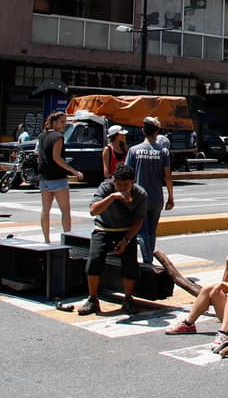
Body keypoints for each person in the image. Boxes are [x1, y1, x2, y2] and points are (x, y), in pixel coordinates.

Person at [77, 164, 146, 317]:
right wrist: (112, 197)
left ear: (133, 182)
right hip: (103, 228)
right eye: (118, 184)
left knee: (131, 264)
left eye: (126, 185)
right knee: (94, 261)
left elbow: (138, 221)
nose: (122, 188)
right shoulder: (105, 188)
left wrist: (126, 240)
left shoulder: (140, 194)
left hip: (125, 231)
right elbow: (93, 210)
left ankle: (128, 299)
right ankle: (93, 299)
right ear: (114, 181)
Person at [125, 116, 173, 266]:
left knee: (142, 230)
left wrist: (126, 195)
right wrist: (171, 197)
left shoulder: (133, 150)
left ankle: (147, 260)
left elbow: (127, 175)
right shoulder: (163, 152)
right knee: (152, 230)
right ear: (157, 132)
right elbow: (168, 176)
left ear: (142, 131)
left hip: (139, 197)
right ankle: (149, 258)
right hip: (157, 197)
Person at [36, 111, 80, 244]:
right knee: (65, 210)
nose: (64, 124)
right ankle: (67, 239)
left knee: (45, 210)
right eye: (62, 122)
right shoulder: (58, 137)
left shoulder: (42, 135)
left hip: (44, 177)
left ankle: (46, 240)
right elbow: (57, 158)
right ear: (54, 122)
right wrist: (73, 171)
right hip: (57, 177)